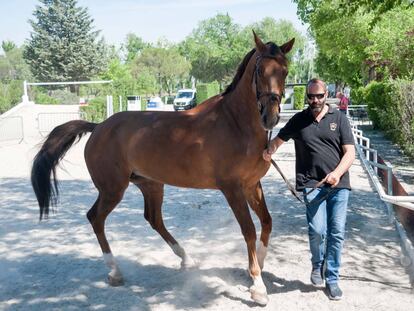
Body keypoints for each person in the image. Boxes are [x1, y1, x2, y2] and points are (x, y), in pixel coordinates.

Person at [263, 78, 355, 300]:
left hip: (339, 186)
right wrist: (269, 150)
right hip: (311, 185)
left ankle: (332, 278)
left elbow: (350, 153)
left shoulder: (339, 119)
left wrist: (336, 174)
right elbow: (278, 140)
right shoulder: (299, 120)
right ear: (307, 97)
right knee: (317, 230)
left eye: (319, 96)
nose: (315, 100)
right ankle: (317, 264)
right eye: (311, 96)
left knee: (337, 233)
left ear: (326, 96)